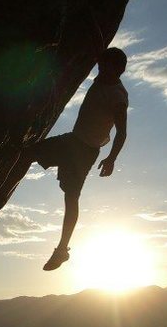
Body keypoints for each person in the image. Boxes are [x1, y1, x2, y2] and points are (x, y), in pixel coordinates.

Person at [22, 47, 128, 271]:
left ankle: (62, 250)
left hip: (85, 150)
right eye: (100, 65)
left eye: (105, 67)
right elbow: (97, 48)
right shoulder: (102, 75)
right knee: (27, 152)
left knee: (71, 197)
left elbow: (122, 132)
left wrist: (111, 159)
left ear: (117, 71)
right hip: (72, 141)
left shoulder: (118, 97)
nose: (99, 70)